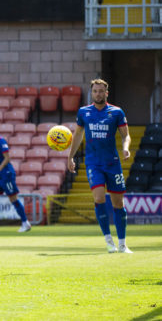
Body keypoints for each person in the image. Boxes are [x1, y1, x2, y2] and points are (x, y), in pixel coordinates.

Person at [68, 79, 132, 254]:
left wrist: (125, 149)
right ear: (92, 93)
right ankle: (108, 240)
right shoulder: (84, 112)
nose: (98, 94)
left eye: (101, 91)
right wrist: (70, 157)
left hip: (112, 163)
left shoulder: (116, 112)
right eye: (95, 91)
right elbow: (78, 135)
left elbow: (126, 135)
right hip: (93, 163)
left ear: (106, 93)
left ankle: (122, 244)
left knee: (118, 203)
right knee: (99, 198)